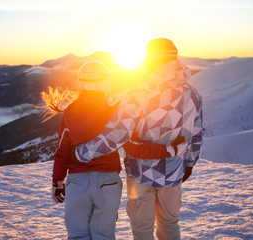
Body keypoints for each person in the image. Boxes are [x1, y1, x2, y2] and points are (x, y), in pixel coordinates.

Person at [71, 38, 204, 240]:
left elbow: (117, 134)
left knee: (142, 228)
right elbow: (197, 133)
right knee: (169, 223)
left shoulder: (138, 94)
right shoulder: (193, 94)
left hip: (142, 172)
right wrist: (190, 164)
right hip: (175, 171)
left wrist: (82, 152)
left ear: (149, 61)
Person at [49, 61, 171, 240]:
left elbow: (62, 150)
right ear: (106, 82)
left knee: (77, 236)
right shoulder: (115, 111)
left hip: (77, 182)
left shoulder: (70, 112)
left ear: (80, 83)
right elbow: (132, 146)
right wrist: (168, 149)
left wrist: (57, 182)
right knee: (103, 235)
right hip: (108, 182)